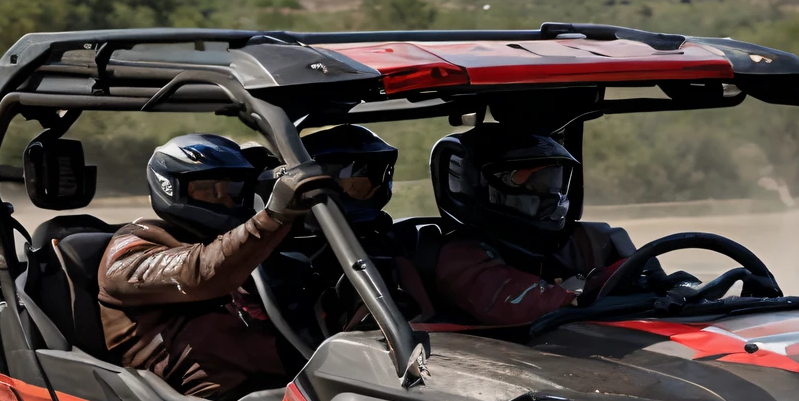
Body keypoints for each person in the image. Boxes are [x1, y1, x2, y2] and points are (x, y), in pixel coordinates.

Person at [97, 134, 336, 399]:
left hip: (283, 385)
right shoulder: (132, 247)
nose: (224, 200)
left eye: (233, 190)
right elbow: (197, 274)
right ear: (170, 187)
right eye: (208, 190)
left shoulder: (240, 241)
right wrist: (272, 218)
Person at [426, 126, 634, 324]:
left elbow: (645, 272)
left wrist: (637, 270)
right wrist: (597, 283)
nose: (550, 194)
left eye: (553, 181)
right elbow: (518, 303)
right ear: (479, 188)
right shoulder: (460, 256)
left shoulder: (582, 239)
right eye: (534, 182)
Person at [264, 123, 437, 335]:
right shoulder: (291, 254)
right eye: (363, 178)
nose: (377, 185)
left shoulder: (381, 239)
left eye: (381, 174)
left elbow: (424, 315)